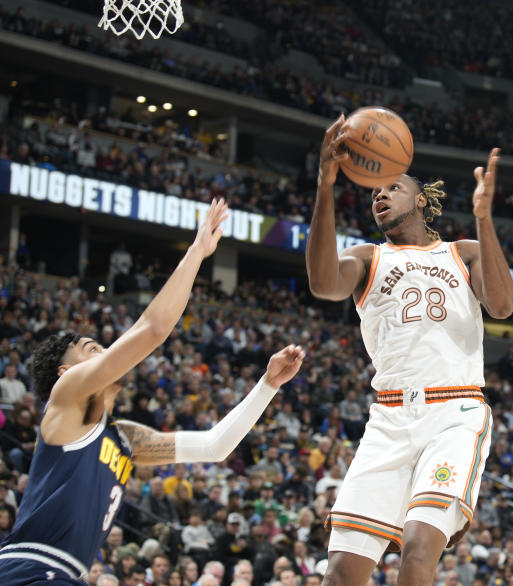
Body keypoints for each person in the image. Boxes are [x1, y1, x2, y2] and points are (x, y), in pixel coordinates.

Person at [0, 199, 307, 585]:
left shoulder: (126, 437)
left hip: (67, 574)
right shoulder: (65, 394)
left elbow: (215, 446)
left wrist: (268, 385)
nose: (106, 352)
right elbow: (153, 329)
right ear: (66, 370)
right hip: (29, 566)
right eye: (91, 349)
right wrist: (197, 251)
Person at [305, 115, 513, 586]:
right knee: (339, 571)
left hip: (454, 412)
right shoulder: (366, 258)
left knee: (419, 549)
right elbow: (321, 283)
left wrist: (484, 219)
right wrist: (325, 183)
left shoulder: (463, 252)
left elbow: (501, 306)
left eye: (393, 188)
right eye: (375, 191)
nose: (380, 194)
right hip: (389, 420)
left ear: (421, 200)